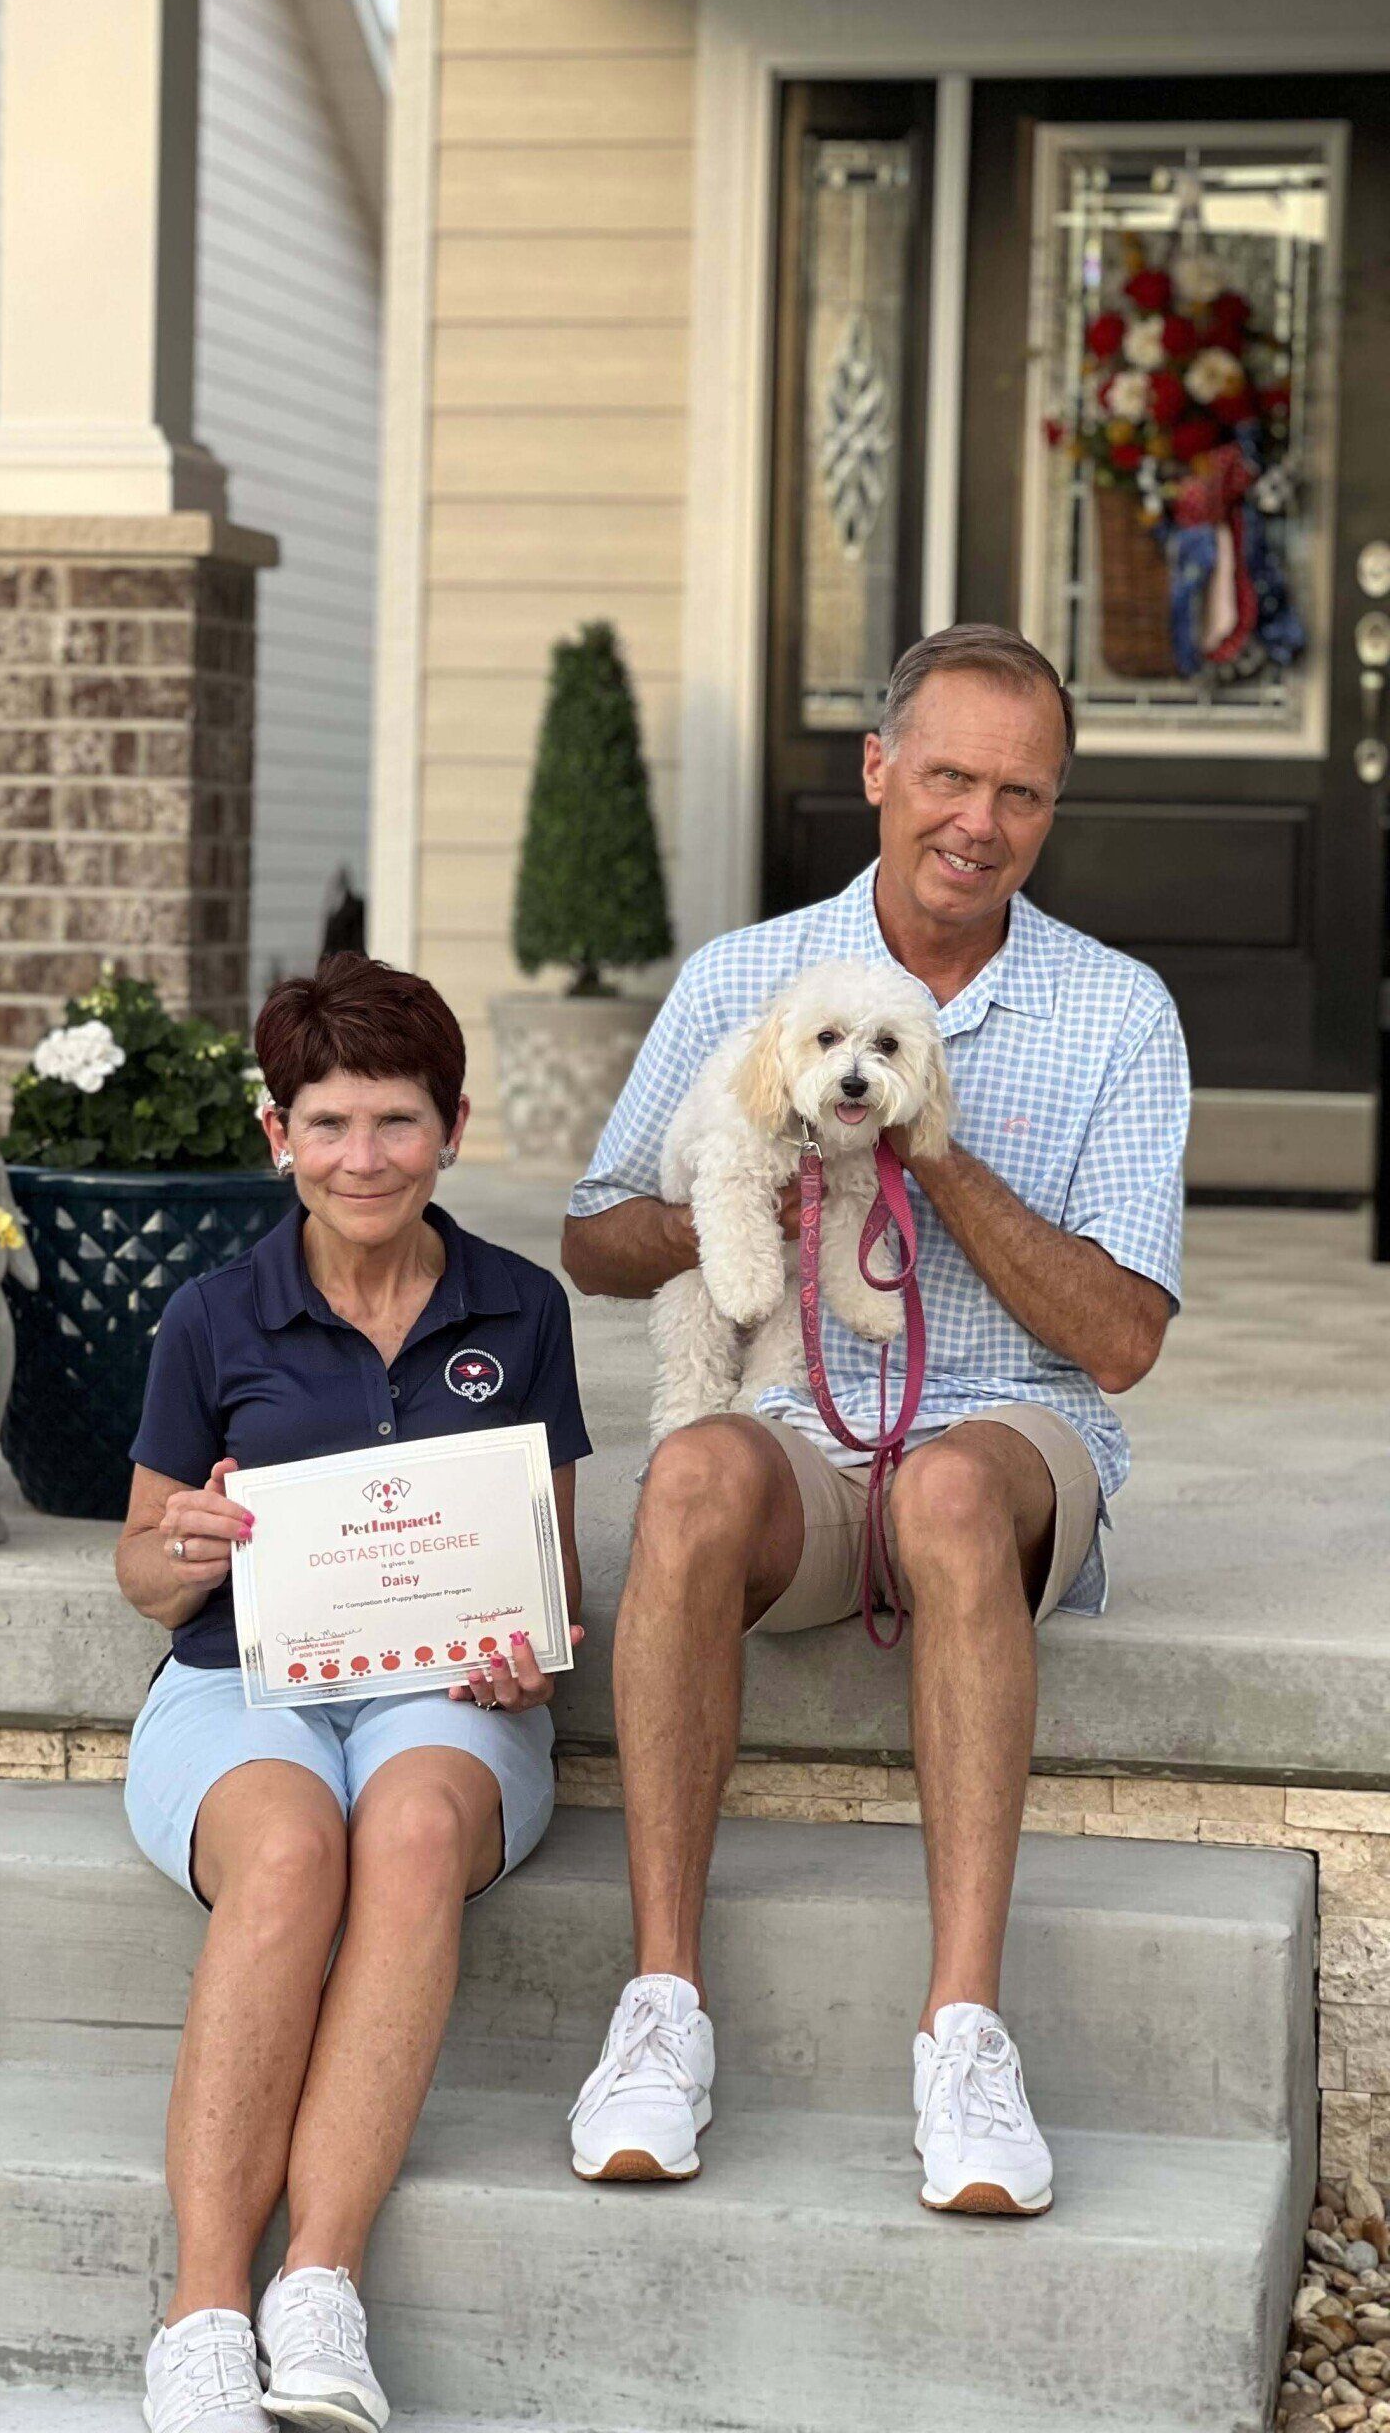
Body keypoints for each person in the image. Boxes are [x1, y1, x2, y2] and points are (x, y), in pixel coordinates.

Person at [562, 623, 1187, 2219]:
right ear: (879, 772)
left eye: (1024, 794)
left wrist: (930, 1153)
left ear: (1053, 812)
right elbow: (591, 1235)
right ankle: (660, 2009)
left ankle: (964, 2035)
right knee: (691, 1477)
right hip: (803, 1423)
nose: (981, 820)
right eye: (952, 778)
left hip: (1013, 1430)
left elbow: (1121, 1341)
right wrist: (744, 1184)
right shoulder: (745, 980)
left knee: (954, 1503)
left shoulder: (1119, 1011)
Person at [120, 953, 590, 2433]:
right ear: (278, 1137)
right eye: (326, 1123)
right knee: (287, 1846)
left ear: (452, 1125)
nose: (361, 1157)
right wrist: (182, 1542)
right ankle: (203, 2308)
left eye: (394, 1121)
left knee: (406, 1832)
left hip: (450, 1693)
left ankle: (319, 2285)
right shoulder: (212, 1314)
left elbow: (551, 1581)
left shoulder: (521, 1309)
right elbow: (143, 1575)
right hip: (235, 1678)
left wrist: (532, 1648)